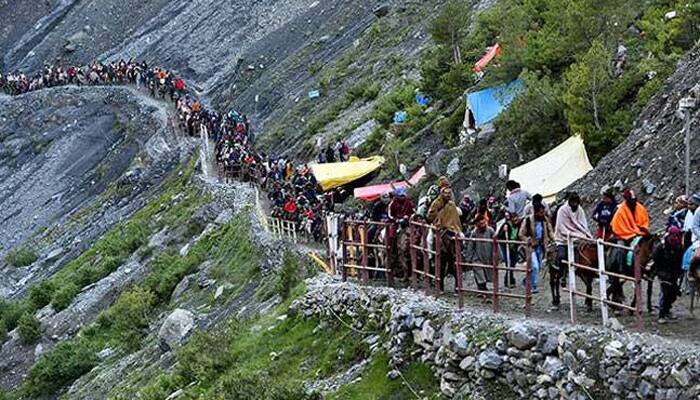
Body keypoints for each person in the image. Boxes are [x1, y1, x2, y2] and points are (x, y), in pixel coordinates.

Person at [553, 193, 593, 309]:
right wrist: (573, 235)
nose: (575, 205)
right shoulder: (562, 210)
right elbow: (561, 227)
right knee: (561, 256)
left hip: (578, 236)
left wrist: (583, 234)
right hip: (564, 238)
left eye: (577, 203)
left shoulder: (580, 210)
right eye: (573, 203)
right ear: (569, 202)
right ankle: (562, 275)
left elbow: (583, 224)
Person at [519, 203, 554, 293]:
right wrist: (528, 240)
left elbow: (550, 231)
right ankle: (532, 286)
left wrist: (553, 240)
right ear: (536, 212)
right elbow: (521, 234)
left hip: (540, 247)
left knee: (537, 267)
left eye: (543, 212)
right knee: (534, 266)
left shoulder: (545, 221)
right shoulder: (527, 220)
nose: (542, 214)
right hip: (530, 247)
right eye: (541, 212)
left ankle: (526, 281)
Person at [653, 227, 684, 324]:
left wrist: (679, 273)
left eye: (677, 236)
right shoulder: (661, 247)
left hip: (673, 273)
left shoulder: (679, 247)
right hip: (663, 272)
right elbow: (656, 260)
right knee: (665, 292)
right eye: (674, 236)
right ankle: (661, 314)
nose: (675, 238)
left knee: (674, 293)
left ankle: (667, 309)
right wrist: (661, 273)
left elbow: (679, 261)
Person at [466, 215, 495, 291]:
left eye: (484, 223)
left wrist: (497, 256)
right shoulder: (474, 233)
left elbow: (496, 244)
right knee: (479, 273)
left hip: (488, 255)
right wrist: (469, 258)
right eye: (480, 223)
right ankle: (482, 289)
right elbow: (470, 246)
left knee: (486, 273)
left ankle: (482, 288)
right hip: (477, 257)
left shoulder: (490, 231)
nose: (483, 225)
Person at [496, 212, 520, 288]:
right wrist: (503, 231)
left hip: (514, 246)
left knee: (514, 261)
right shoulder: (506, 225)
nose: (516, 220)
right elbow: (499, 235)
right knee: (508, 262)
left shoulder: (519, 225)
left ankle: (510, 277)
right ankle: (509, 280)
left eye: (517, 218)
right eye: (514, 218)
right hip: (506, 245)